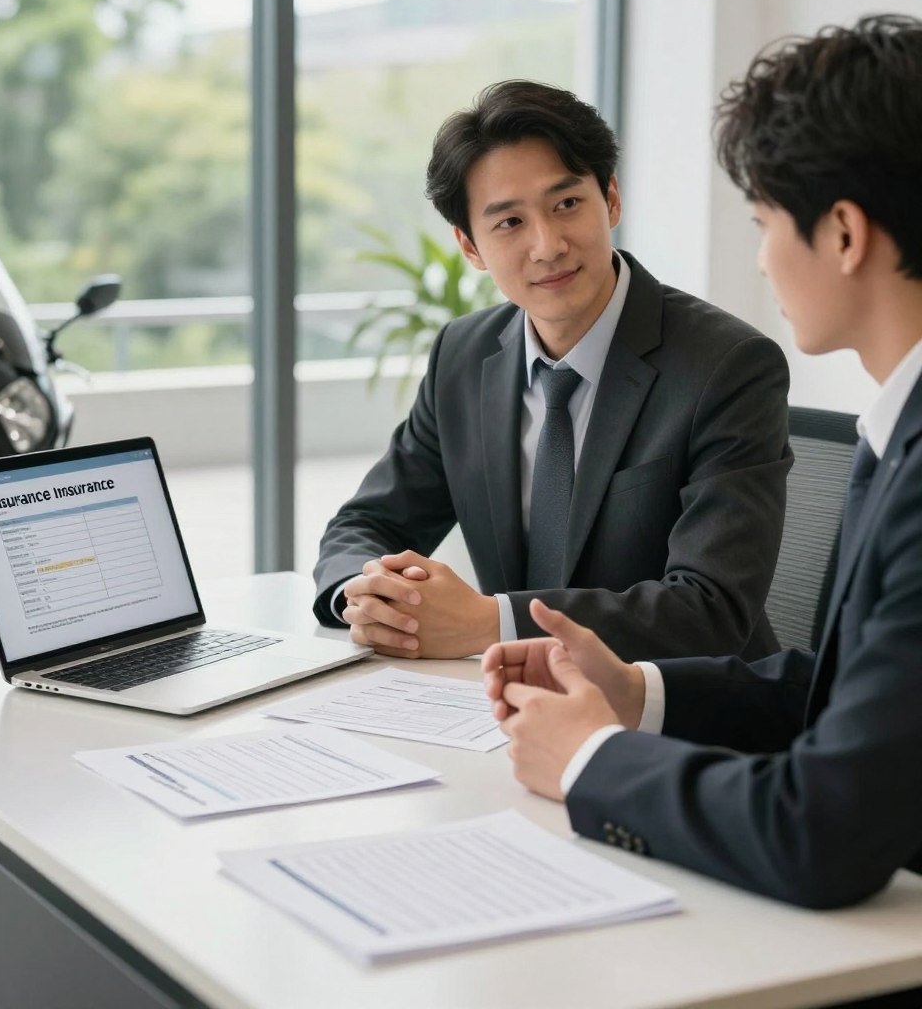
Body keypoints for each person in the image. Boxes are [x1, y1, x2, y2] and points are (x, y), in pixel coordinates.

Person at [482, 15, 922, 918]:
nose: (759, 259)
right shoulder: (900, 427)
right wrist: (633, 690)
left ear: (842, 234)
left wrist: (591, 759)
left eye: (763, 223)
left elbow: (823, 830)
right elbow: (844, 691)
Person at [313, 80, 791, 663]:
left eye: (566, 204)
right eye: (509, 223)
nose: (547, 246)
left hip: (678, 715)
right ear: (469, 246)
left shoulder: (727, 365)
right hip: (505, 704)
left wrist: (494, 623)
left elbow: (710, 609)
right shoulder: (463, 357)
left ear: (610, 199)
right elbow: (367, 523)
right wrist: (364, 597)